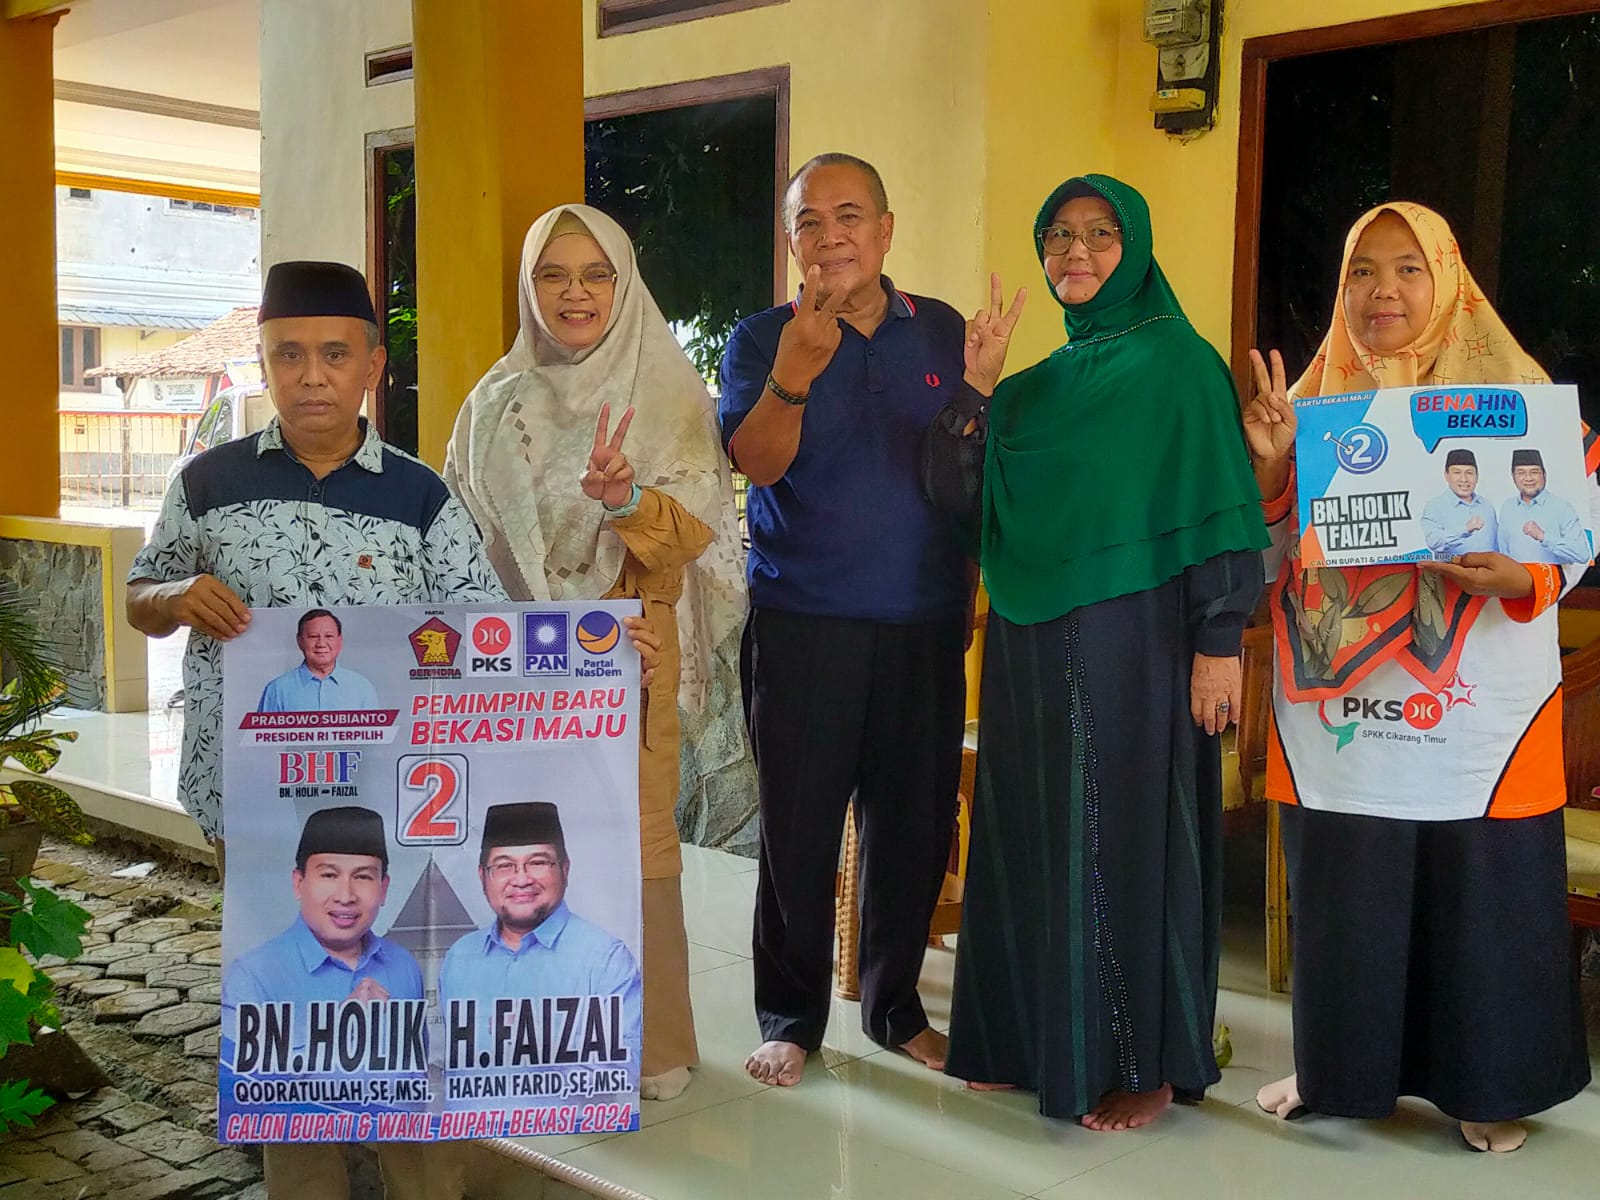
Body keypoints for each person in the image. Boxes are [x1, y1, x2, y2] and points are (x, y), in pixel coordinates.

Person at [126, 260, 506, 1200]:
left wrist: (604, 657)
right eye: (288, 355)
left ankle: (424, 1181)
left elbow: (485, 629)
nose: (311, 376)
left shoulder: (421, 496)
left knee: (409, 997)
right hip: (254, 803)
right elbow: (141, 593)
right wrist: (174, 595)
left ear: (372, 366)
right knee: (287, 999)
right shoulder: (206, 483)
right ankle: (304, 1180)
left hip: (391, 804)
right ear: (263, 363)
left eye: (334, 355)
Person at [1245, 202, 1596, 1152]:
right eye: (1362, 270)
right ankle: (1337, 1072)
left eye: (1407, 268)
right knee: (1348, 892)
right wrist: (1271, 473)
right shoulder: (1311, 411)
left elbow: (1574, 533)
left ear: (1447, 280)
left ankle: (1490, 1084)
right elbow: (1266, 558)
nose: (1383, 291)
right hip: (1348, 715)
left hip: (1481, 712)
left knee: (1483, 893)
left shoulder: (1521, 401)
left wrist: (1524, 577)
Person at [943, 174, 1267, 1131]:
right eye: (1057, 235)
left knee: (1127, 833)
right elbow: (958, 501)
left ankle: (1147, 1062)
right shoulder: (1035, 389)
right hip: (1030, 644)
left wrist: (1219, 643)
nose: (1075, 251)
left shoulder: (1181, 366)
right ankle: (1021, 1040)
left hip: (1140, 649)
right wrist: (977, 387)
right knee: (1029, 827)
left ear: (1136, 247)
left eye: (1099, 233)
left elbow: (1221, 513)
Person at [445, 203, 743, 1103]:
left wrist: (625, 501)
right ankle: (533, 1034)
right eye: (553, 274)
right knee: (521, 838)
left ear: (624, 284)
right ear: (529, 286)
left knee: (635, 843)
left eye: (595, 275)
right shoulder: (492, 405)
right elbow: (460, 541)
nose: (574, 293)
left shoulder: (668, 394)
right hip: (514, 662)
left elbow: (693, 535)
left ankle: (652, 1043)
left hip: (629, 653)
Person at [717, 153, 973, 1088]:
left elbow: (971, 462)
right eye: (810, 222)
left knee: (913, 828)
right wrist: (794, 373)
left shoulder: (940, 331)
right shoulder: (760, 339)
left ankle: (895, 1008)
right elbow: (757, 462)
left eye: (850, 216)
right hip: (804, 622)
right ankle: (790, 1016)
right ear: (792, 241)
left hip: (924, 622)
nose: (832, 237)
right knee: (799, 832)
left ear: (887, 230)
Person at [439, 801, 642, 1074]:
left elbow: (627, 1067)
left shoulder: (606, 958)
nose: (521, 879)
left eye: (537, 863)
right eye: (504, 865)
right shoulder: (460, 957)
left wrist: (539, 1044)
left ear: (565, 869)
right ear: (482, 877)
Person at [223, 807, 422, 1059]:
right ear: (299, 883)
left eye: (363, 877)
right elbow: (242, 1081)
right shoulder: (252, 977)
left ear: (383, 889)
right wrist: (341, 1028)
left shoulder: (404, 966)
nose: (345, 896)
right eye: (329, 875)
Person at [257, 609, 379, 712]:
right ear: (300, 641)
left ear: (340, 640)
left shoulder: (362, 687)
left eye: (329, 636)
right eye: (313, 636)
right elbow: (264, 733)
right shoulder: (277, 690)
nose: (321, 644)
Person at [1495, 448, 1591, 564]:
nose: (1528, 478)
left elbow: (1582, 555)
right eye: (1521, 473)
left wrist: (1543, 537)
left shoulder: (1562, 508)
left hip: (1552, 575)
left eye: (1534, 472)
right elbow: (1504, 553)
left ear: (1544, 475)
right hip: (1516, 575)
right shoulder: (1508, 507)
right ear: (1513, 476)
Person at [1421, 449, 1497, 558]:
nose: (1464, 479)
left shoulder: (1486, 505)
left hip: (1488, 569)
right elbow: (1434, 543)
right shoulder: (1435, 507)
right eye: (1457, 473)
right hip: (1452, 569)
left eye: (1469, 473)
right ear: (1446, 475)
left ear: (1477, 476)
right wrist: (1466, 529)